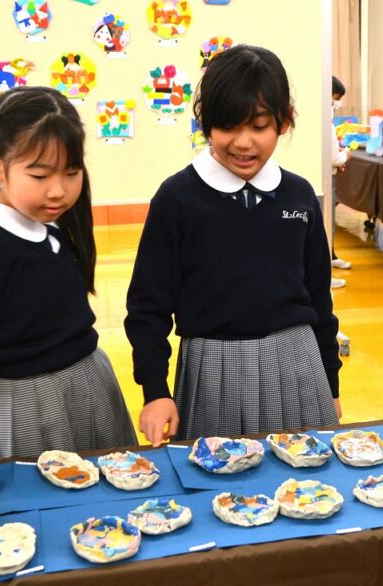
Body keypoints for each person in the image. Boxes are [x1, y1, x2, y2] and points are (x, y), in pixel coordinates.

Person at [126, 44, 342, 445]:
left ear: (284, 121)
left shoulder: (299, 195)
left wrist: (330, 381)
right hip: (212, 369)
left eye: (259, 126)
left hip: (299, 364)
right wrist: (155, 390)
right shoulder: (177, 199)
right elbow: (147, 307)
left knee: (304, 473)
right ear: (205, 121)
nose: (244, 143)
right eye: (228, 126)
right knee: (214, 476)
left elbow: (319, 298)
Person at [0, 86, 138, 461]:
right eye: (39, 175)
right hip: (18, 406)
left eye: (72, 172)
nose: (58, 191)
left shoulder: (54, 222)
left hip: (88, 388)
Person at [330, 75, 351, 289]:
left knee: (330, 223)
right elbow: (331, 157)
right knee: (327, 223)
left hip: (331, 172)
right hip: (327, 175)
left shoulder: (327, 117)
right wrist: (344, 156)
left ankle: (331, 255)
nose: (337, 103)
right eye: (336, 98)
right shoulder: (322, 117)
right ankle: (325, 273)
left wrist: (338, 160)